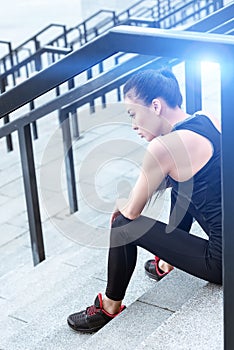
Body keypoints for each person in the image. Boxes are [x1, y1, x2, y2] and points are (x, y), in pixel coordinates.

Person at [67, 68, 222, 333]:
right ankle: (165, 263)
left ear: (155, 106)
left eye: (133, 114)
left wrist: (122, 203)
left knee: (123, 225)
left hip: (224, 262)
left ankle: (109, 305)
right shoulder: (210, 119)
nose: (133, 125)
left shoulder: (163, 148)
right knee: (181, 184)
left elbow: (132, 213)